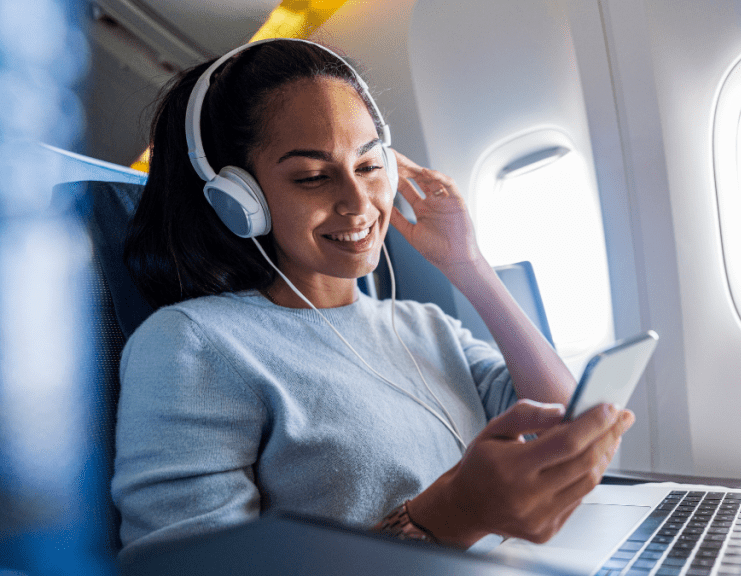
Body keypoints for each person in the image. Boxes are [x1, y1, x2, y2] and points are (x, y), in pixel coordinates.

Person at [112, 38, 634, 553]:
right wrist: (453, 515)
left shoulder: (423, 326)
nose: (359, 202)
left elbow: (570, 436)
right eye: (313, 176)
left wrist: (468, 264)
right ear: (238, 199)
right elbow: (191, 569)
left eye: (367, 166)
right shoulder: (194, 343)